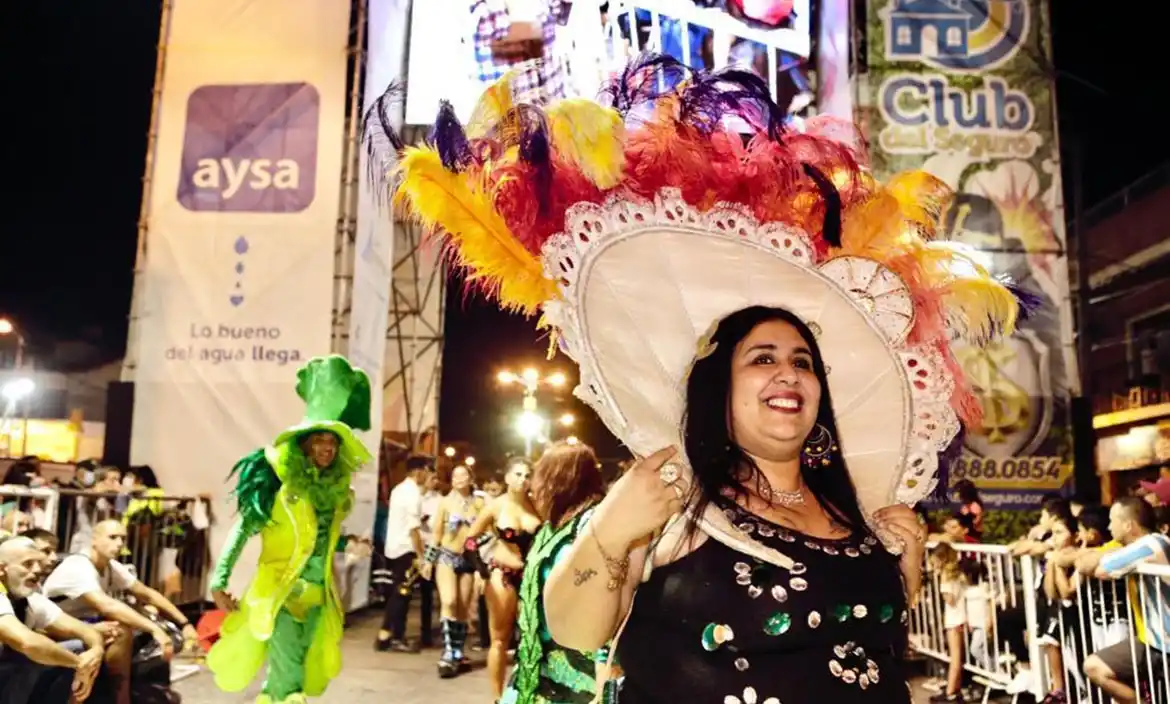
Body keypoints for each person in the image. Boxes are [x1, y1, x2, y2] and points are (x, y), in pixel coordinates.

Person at [373, 52, 1028, 702]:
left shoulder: (854, 509)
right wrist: (611, 530)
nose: (788, 373)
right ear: (719, 388)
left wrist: (904, 566)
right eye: (763, 358)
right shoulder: (675, 501)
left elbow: (864, 641)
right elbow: (574, 630)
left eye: (803, 362)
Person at [205, 355, 375, 704]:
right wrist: (219, 581)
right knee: (289, 679)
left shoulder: (333, 493)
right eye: (320, 440)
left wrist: (348, 543)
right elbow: (243, 530)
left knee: (295, 673)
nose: (327, 448)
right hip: (280, 594)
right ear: (305, 444)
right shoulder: (278, 486)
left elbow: (316, 539)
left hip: (318, 595)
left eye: (333, 441)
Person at [501, 442, 608, 704]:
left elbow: (606, 605)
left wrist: (605, 678)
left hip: (578, 676)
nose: (533, 487)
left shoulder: (592, 527)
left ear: (562, 480)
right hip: (536, 665)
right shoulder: (554, 525)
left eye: (541, 477)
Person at [41, 519, 181, 704]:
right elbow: (107, 605)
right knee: (119, 631)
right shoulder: (78, 566)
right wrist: (154, 629)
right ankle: (120, 699)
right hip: (55, 628)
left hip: (83, 624)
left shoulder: (110, 566)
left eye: (123, 538)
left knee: (145, 618)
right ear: (94, 540)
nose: (119, 543)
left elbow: (146, 593)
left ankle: (144, 692)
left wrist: (184, 623)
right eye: (112, 537)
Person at [1082, 497, 1170, 704]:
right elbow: (1085, 564)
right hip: (1153, 642)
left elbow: (1101, 570)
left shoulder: (1151, 544)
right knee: (1095, 666)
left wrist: (1106, 552)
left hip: (1165, 642)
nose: (1108, 527)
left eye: (1112, 521)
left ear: (1128, 525)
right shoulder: (1143, 545)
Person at [466, 460, 542, 700]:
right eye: (517, 474)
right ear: (507, 477)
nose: (522, 480)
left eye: (527, 475)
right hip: (502, 574)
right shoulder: (495, 507)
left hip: (531, 575)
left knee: (532, 637)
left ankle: (525, 692)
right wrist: (481, 572)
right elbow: (470, 542)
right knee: (499, 639)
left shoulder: (539, 506)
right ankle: (497, 697)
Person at [0, 536, 107, 704]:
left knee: (78, 647)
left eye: (38, 563)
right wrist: (80, 664)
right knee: (27, 657)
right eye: (28, 564)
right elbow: (28, 643)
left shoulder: (30, 599)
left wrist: (96, 651)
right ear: (2, 569)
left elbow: (86, 631)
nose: (37, 570)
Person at [376, 455, 437, 652]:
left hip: (394, 548)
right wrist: (421, 556)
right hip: (406, 550)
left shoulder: (398, 489)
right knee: (402, 594)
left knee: (400, 593)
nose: (428, 475)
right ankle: (390, 636)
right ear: (418, 471)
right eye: (427, 471)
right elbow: (413, 529)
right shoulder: (413, 494)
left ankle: (390, 636)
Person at [430, 464, 484, 677]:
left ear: (470, 478)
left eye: (463, 475)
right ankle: (447, 651)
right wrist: (428, 560)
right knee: (449, 601)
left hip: (468, 559)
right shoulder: (445, 502)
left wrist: (483, 564)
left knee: (462, 608)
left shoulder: (479, 503)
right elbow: (436, 533)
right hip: (447, 555)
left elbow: (487, 531)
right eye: (455, 476)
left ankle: (458, 652)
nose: (459, 479)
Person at [930, 543, 966, 703]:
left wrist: (942, 589)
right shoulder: (958, 574)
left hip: (953, 618)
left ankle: (950, 691)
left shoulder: (946, 576)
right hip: (960, 616)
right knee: (958, 656)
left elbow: (949, 599)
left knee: (955, 657)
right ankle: (955, 687)